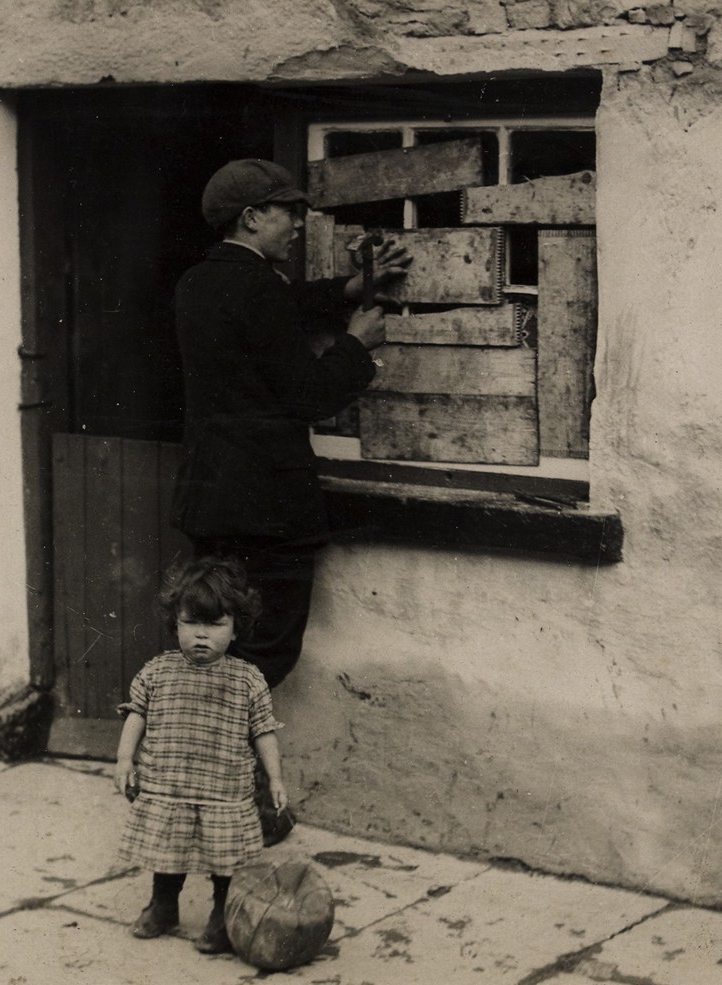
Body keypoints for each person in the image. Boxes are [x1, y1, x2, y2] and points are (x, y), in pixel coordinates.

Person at [171, 158, 409, 690]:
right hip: (268, 511)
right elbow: (310, 396)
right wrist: (357, 346)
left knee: (211, 645)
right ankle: (225, 767)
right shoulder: (261, 290)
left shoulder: (196, 282)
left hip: (211, 503)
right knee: (265, 653)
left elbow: (269, 312)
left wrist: (343, 291)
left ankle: (192, 761)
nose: (300, 223)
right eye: (289, 212)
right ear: (252, 217)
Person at [114, 557, 285, 954]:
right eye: (191, 623)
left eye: (215, 625)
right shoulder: (157, 672)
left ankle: (221, 917)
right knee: (167, 852)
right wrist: (125, 759)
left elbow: (264, 732)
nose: (202, 636)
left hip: (223, 793)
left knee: (224, 861)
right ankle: (163, 906)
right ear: (175, 622)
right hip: (167, 785)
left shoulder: (247, 680)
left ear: (236, 627)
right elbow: (136, 715)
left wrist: (275, 778)